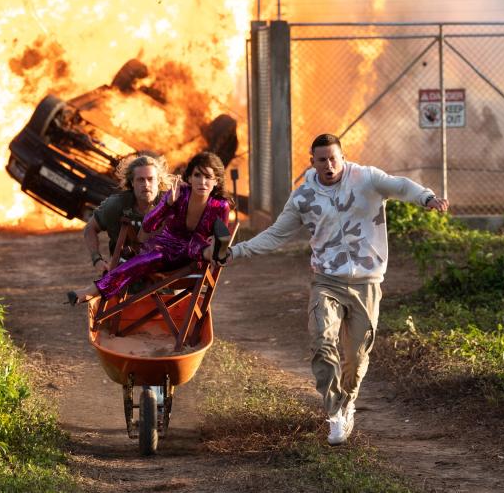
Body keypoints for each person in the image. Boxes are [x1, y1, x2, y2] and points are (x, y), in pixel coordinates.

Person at [225, 133, 449, 446]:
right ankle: (333, 413)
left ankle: (348, 401)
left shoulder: (366, 178)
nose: (329, 165)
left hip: (366, 282)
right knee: (321, 342)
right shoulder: (303, 196)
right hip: (326, 281)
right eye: (322, 160)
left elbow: (400, 186)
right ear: (311, 162)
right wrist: (236, 251)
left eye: (333, 158)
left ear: (342, 156)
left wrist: (426, 198)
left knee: (356, 360)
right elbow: (276, 235)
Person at [67, 151, 232, 305]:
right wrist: (168, 204)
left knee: (201, 245)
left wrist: (216, 246)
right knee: (139, 261)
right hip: (162, 251)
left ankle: (215, 251)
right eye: (197, 175)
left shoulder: (220, 206)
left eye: (150, 179)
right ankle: (90, 292)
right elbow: (146, 226)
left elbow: (220, 232)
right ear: (189, 178)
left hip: (191, 256)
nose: (202, 182)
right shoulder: (175, 195)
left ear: (216, 180)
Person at [83, 153, 168, 275]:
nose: (146, 184)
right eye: (140, 179)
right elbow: (90, 228)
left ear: (158, 181)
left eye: (150, 179)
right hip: (124, 281)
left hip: (165, 282)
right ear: (132, 182)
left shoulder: (171, 203)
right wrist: (97, 259)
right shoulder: (116, 205)